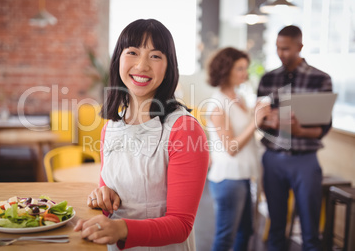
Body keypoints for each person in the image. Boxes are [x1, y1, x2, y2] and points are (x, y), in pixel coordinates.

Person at [74, 19, 209, 251]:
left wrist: (122, 229)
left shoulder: (184, 129)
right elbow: (108, 191)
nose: (142, 65)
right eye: (133, 52)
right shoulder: (111, 127)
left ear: (168, 67)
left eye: (155, 56)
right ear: (118, 59)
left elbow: (181, 225)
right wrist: (102, 195)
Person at [257, 25, 333, 251]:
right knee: (276, 226)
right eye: (278, 48)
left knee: (310, 231)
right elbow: (259, 121)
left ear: (300, 47)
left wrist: (299, 131)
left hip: (305, 160)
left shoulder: (321, 79)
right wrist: (267, 120)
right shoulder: (268, 78)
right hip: (272, 159)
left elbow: (325, 126)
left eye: (287, 49)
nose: (281, 53)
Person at [206, 47, 270, 251]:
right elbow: (231, 147)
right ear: (226, 70)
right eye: (240, 68)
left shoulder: (239, 98)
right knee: (225, 237)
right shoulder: (217, 104)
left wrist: (257, 115)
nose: (246, 73)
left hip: (243, 176)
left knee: (246, 233)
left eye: (246, 68)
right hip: (228, 179)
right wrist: (255, 122)